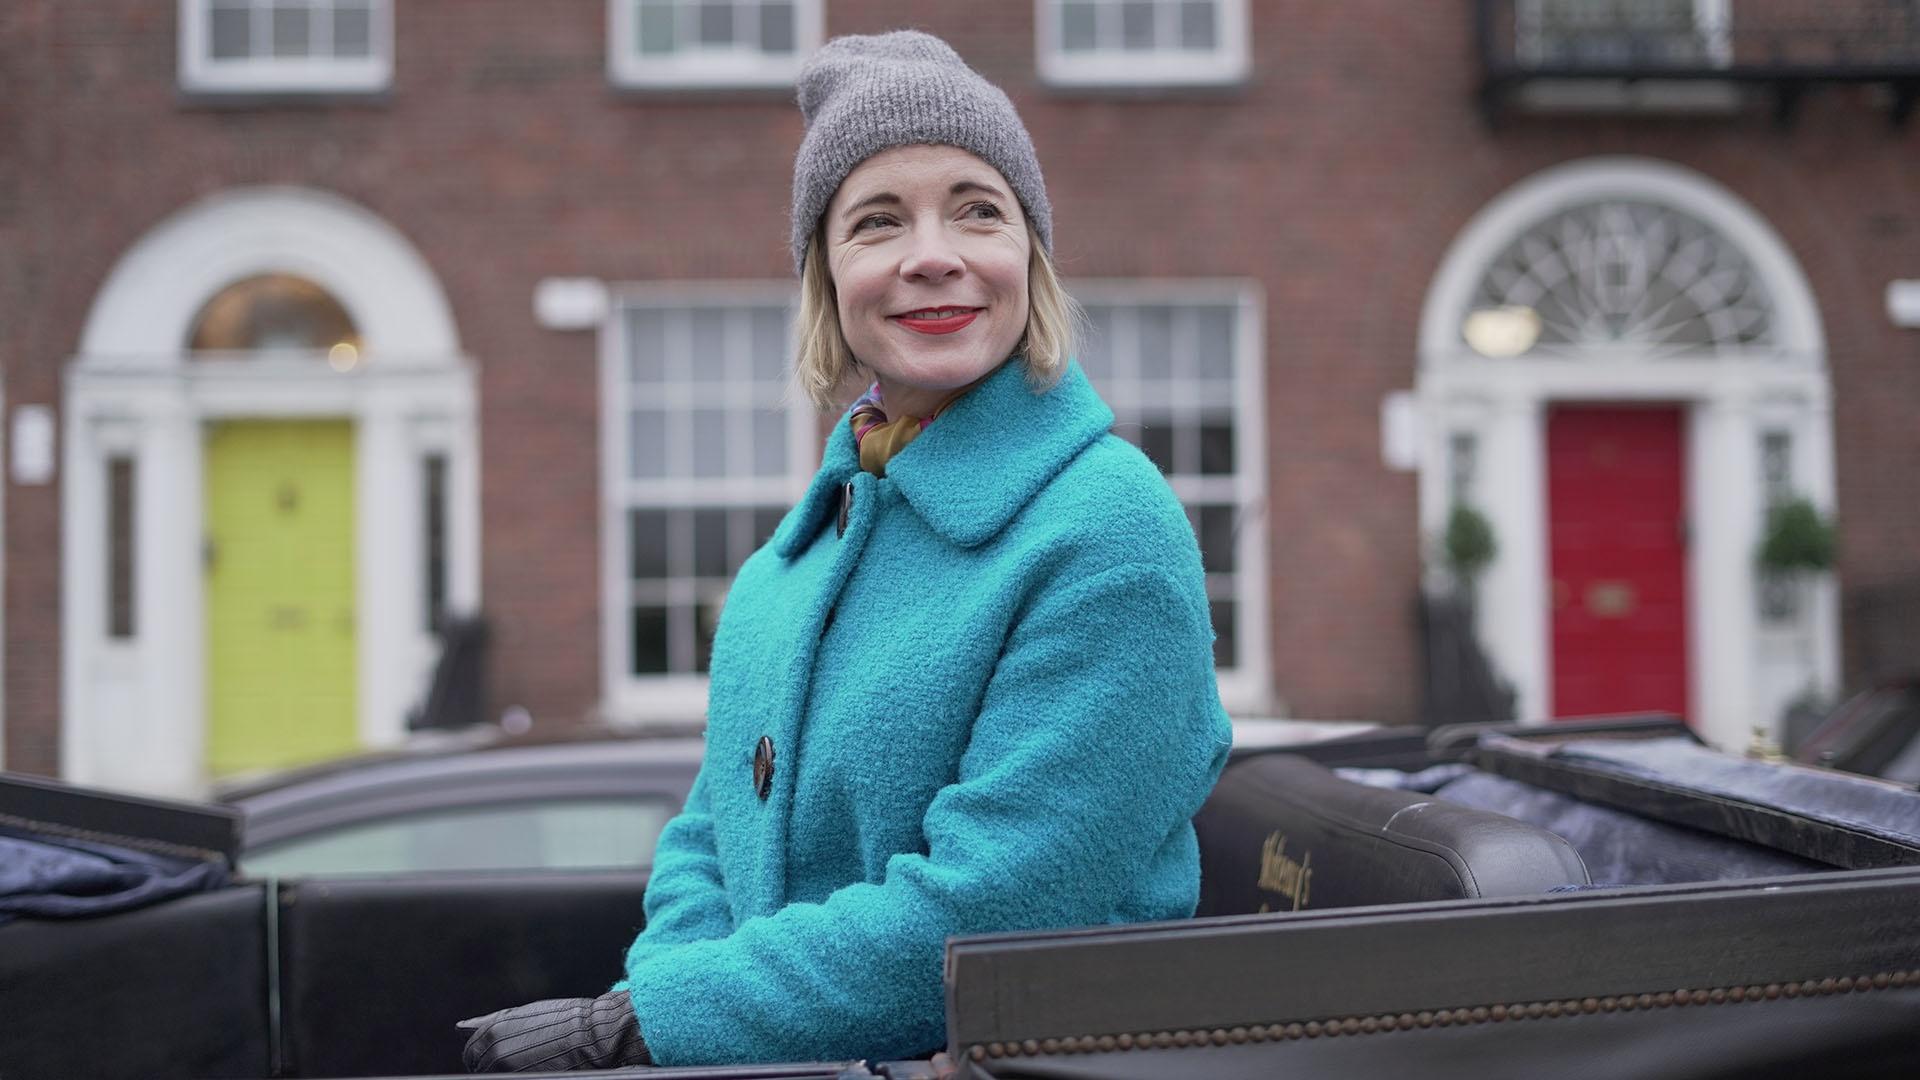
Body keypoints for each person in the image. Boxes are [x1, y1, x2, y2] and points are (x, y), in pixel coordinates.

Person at [459, 29, 1232, 1072]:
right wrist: (659, 1006)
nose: (933, 252)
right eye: (878, 221)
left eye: (978, 209)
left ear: (1030, 257)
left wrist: (643, 1026)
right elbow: (708, 836)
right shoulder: (800, 557)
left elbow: (992, 914)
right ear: (828, 278)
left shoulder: (1106, 530)